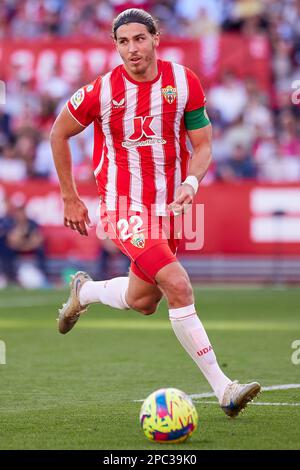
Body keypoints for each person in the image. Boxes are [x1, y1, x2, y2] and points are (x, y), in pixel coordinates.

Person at [50, 8, 261, 418]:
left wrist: (190, 183)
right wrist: (69, 197)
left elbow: (202, 146)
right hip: (122, 206)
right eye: (123, 42)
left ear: (155, 38)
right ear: (116, 46)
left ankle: (85, 292)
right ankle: (225, 389)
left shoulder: (184, 82)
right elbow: (58, 132)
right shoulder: (101, 91)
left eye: (139, 39)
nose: (132, 49)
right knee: (178, 284)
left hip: (169, 208)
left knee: (143, 301)